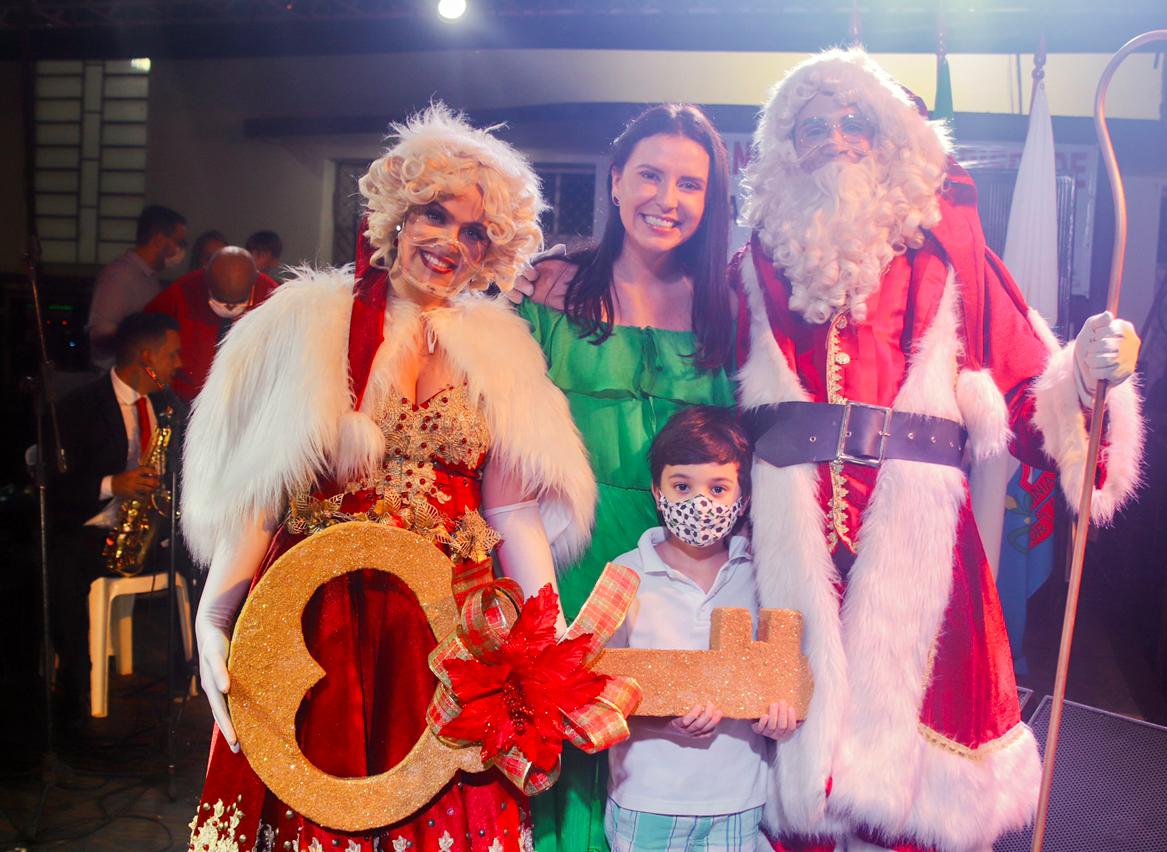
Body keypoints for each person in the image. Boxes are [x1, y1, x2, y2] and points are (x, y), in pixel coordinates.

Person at [733, 50, 1145, 851]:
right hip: (783, 553)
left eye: (857, 123)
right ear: (784, 152)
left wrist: (1093, 377)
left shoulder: (956, 262)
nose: (835, 141)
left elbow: (1036, 396)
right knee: (791, 774)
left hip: (925, 562)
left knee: (913, 802)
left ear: (894, 143)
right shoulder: (750, 269)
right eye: (810, 127)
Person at [183, 105, 596, 852]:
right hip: (322, 616)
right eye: (436, 215)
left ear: (492, 253)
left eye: (475, 232)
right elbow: (266, 490)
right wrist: (218, 611)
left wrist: (547, 634)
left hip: (447, 630)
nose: (450, 243)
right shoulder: (310, 323)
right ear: (399, 215)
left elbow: (512, 511)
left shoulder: (500, 354)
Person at [517, 103, 737, 852]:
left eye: (690, 184)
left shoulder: (728, 310)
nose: (666, 199)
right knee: (571, 760)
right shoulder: (551, 290)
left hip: (688, 575)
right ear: (615, 182)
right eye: (649, 174)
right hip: (572, 563)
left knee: (669, 763)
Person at [604, 406, 797, 852]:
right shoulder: (625, 575)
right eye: (682, 486)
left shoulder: (762, 575)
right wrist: (663, 725)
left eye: (718, 488)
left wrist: (782, 722)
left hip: (739, 802)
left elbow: (784, 683)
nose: (699, 502)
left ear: (742, 498)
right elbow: (597, 693)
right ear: (657, 491)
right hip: (646, 802)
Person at [46, 311, 184, 727]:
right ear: (146, 356)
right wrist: (113, 484)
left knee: (199, 556)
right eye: (172, 355)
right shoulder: (78, 407)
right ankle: (75, 694)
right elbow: (56, 487)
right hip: (90, 528)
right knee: (66, 571)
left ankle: (188, 674)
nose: (178, 363)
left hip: (145, 532)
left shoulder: (169, 406)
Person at [145, 246, 279, 402]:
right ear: (206, 279)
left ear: (254, 281)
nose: (230, 307)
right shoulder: (182, 291)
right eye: (221, 299)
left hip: (249, 400)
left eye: (239, 301)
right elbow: (143, 340)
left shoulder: (273, 297)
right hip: (186, 400)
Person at [87, 205, 187, 368]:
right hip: (116, 379)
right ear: (159, 240)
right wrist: (142, 341)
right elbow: (100, 335)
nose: (182, 250)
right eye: (179, 242)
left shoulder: (150, 277)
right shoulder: (120, 275)